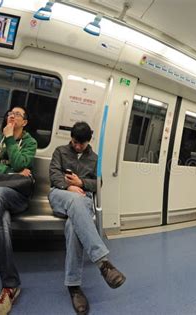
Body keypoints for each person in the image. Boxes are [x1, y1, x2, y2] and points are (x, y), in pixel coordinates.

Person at [48, 122, 126, 314]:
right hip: (60, 195)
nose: (77, 146)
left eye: (81, 144)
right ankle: (103, 263)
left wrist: (81, 182)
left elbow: (99, 183)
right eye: (74, 142)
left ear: (88, 141)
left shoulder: (94, 159)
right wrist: (70, 187)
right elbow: (53, 174)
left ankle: (73, 287)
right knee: (76, 200)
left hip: (81, 202)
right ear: (71, 139)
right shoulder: (60, 151)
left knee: (74, 227)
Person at [0, 107, 37, 315]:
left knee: (0, 193)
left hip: (18, 196)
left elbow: (22, 163)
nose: (12, 115)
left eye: (18, 114)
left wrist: (10, 139)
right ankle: (10, 286)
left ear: (24, 122)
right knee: (2, 220)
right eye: (10, 113)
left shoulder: (30, 142)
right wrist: (10, 171)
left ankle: (10, 285)